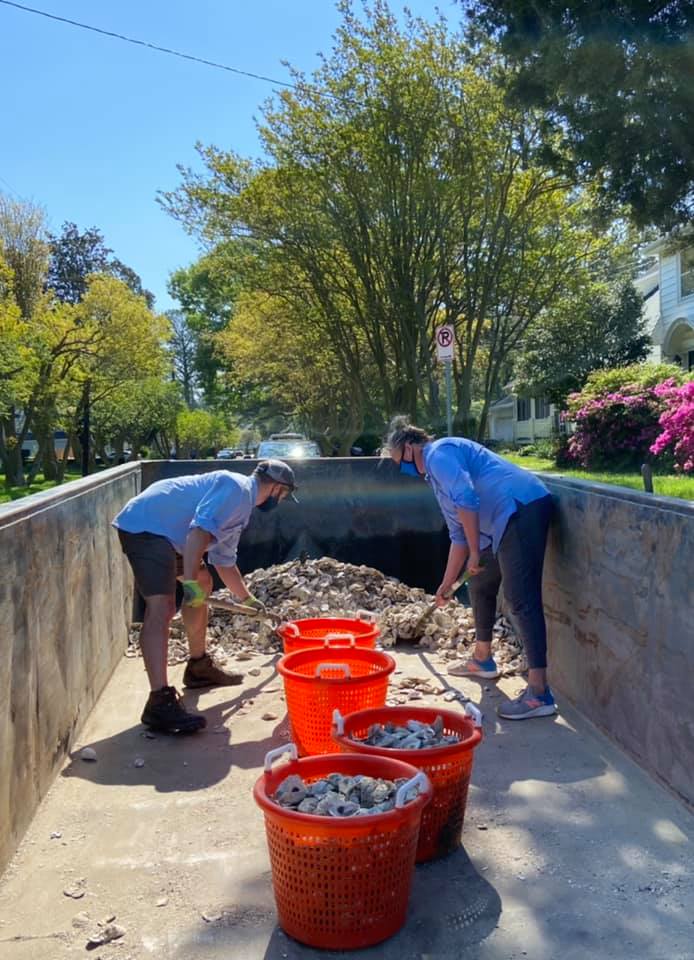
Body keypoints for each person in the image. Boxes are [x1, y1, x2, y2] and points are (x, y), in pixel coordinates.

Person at [384, 417, 557, 720]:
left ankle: (539, 693)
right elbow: (458, 535)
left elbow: (467, 497)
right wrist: (447, 583)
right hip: (498, 525)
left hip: (521, 507)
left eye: (401, 461)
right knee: (479, 584)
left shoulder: (439, 453)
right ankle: (482, 659)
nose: (403, 469)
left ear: (411, 446)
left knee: (520, 598)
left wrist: (476, 552)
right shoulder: (436, 481)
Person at [113, 459, 298, 733]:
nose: (281, 501)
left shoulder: (242, 508)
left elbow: (223, 561)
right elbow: (198, 534)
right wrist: (189, 584)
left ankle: (198, 666)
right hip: (146, 526)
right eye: (284, 495)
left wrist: (247, 599)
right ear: (277, 488)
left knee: (204, 579)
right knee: (162, 606)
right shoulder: (237, 490)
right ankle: (159, 703)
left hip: (168, 534)